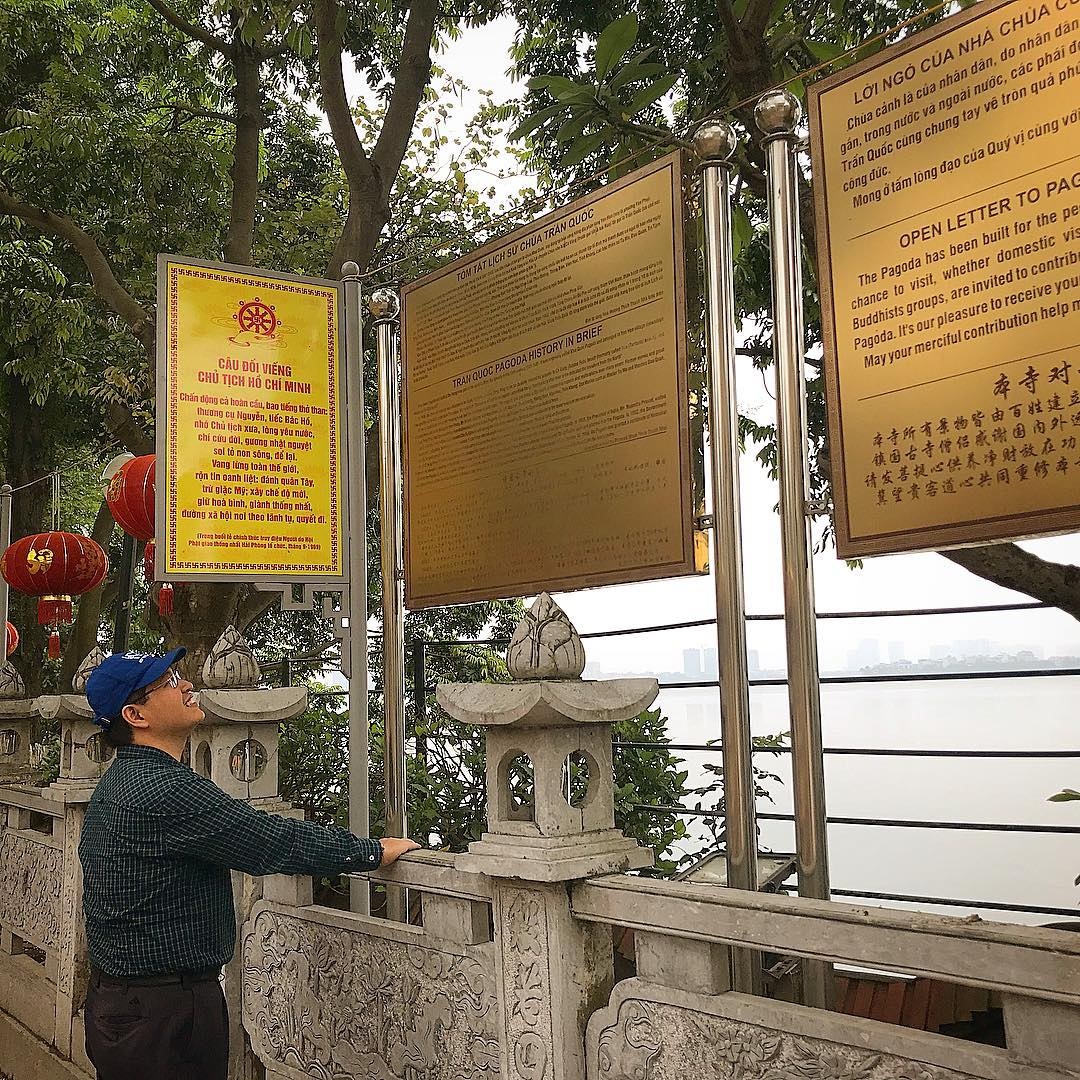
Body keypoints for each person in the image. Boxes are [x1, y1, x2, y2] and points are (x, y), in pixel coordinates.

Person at [79, 648, 419, 1080]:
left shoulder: (122, 779)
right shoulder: (163, 789)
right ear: (136, 715)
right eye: (167, 682)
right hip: (163, 1015)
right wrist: (370, 852)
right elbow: (269, 841)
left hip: (123, 1004)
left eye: (178, 674)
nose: (186, 685)